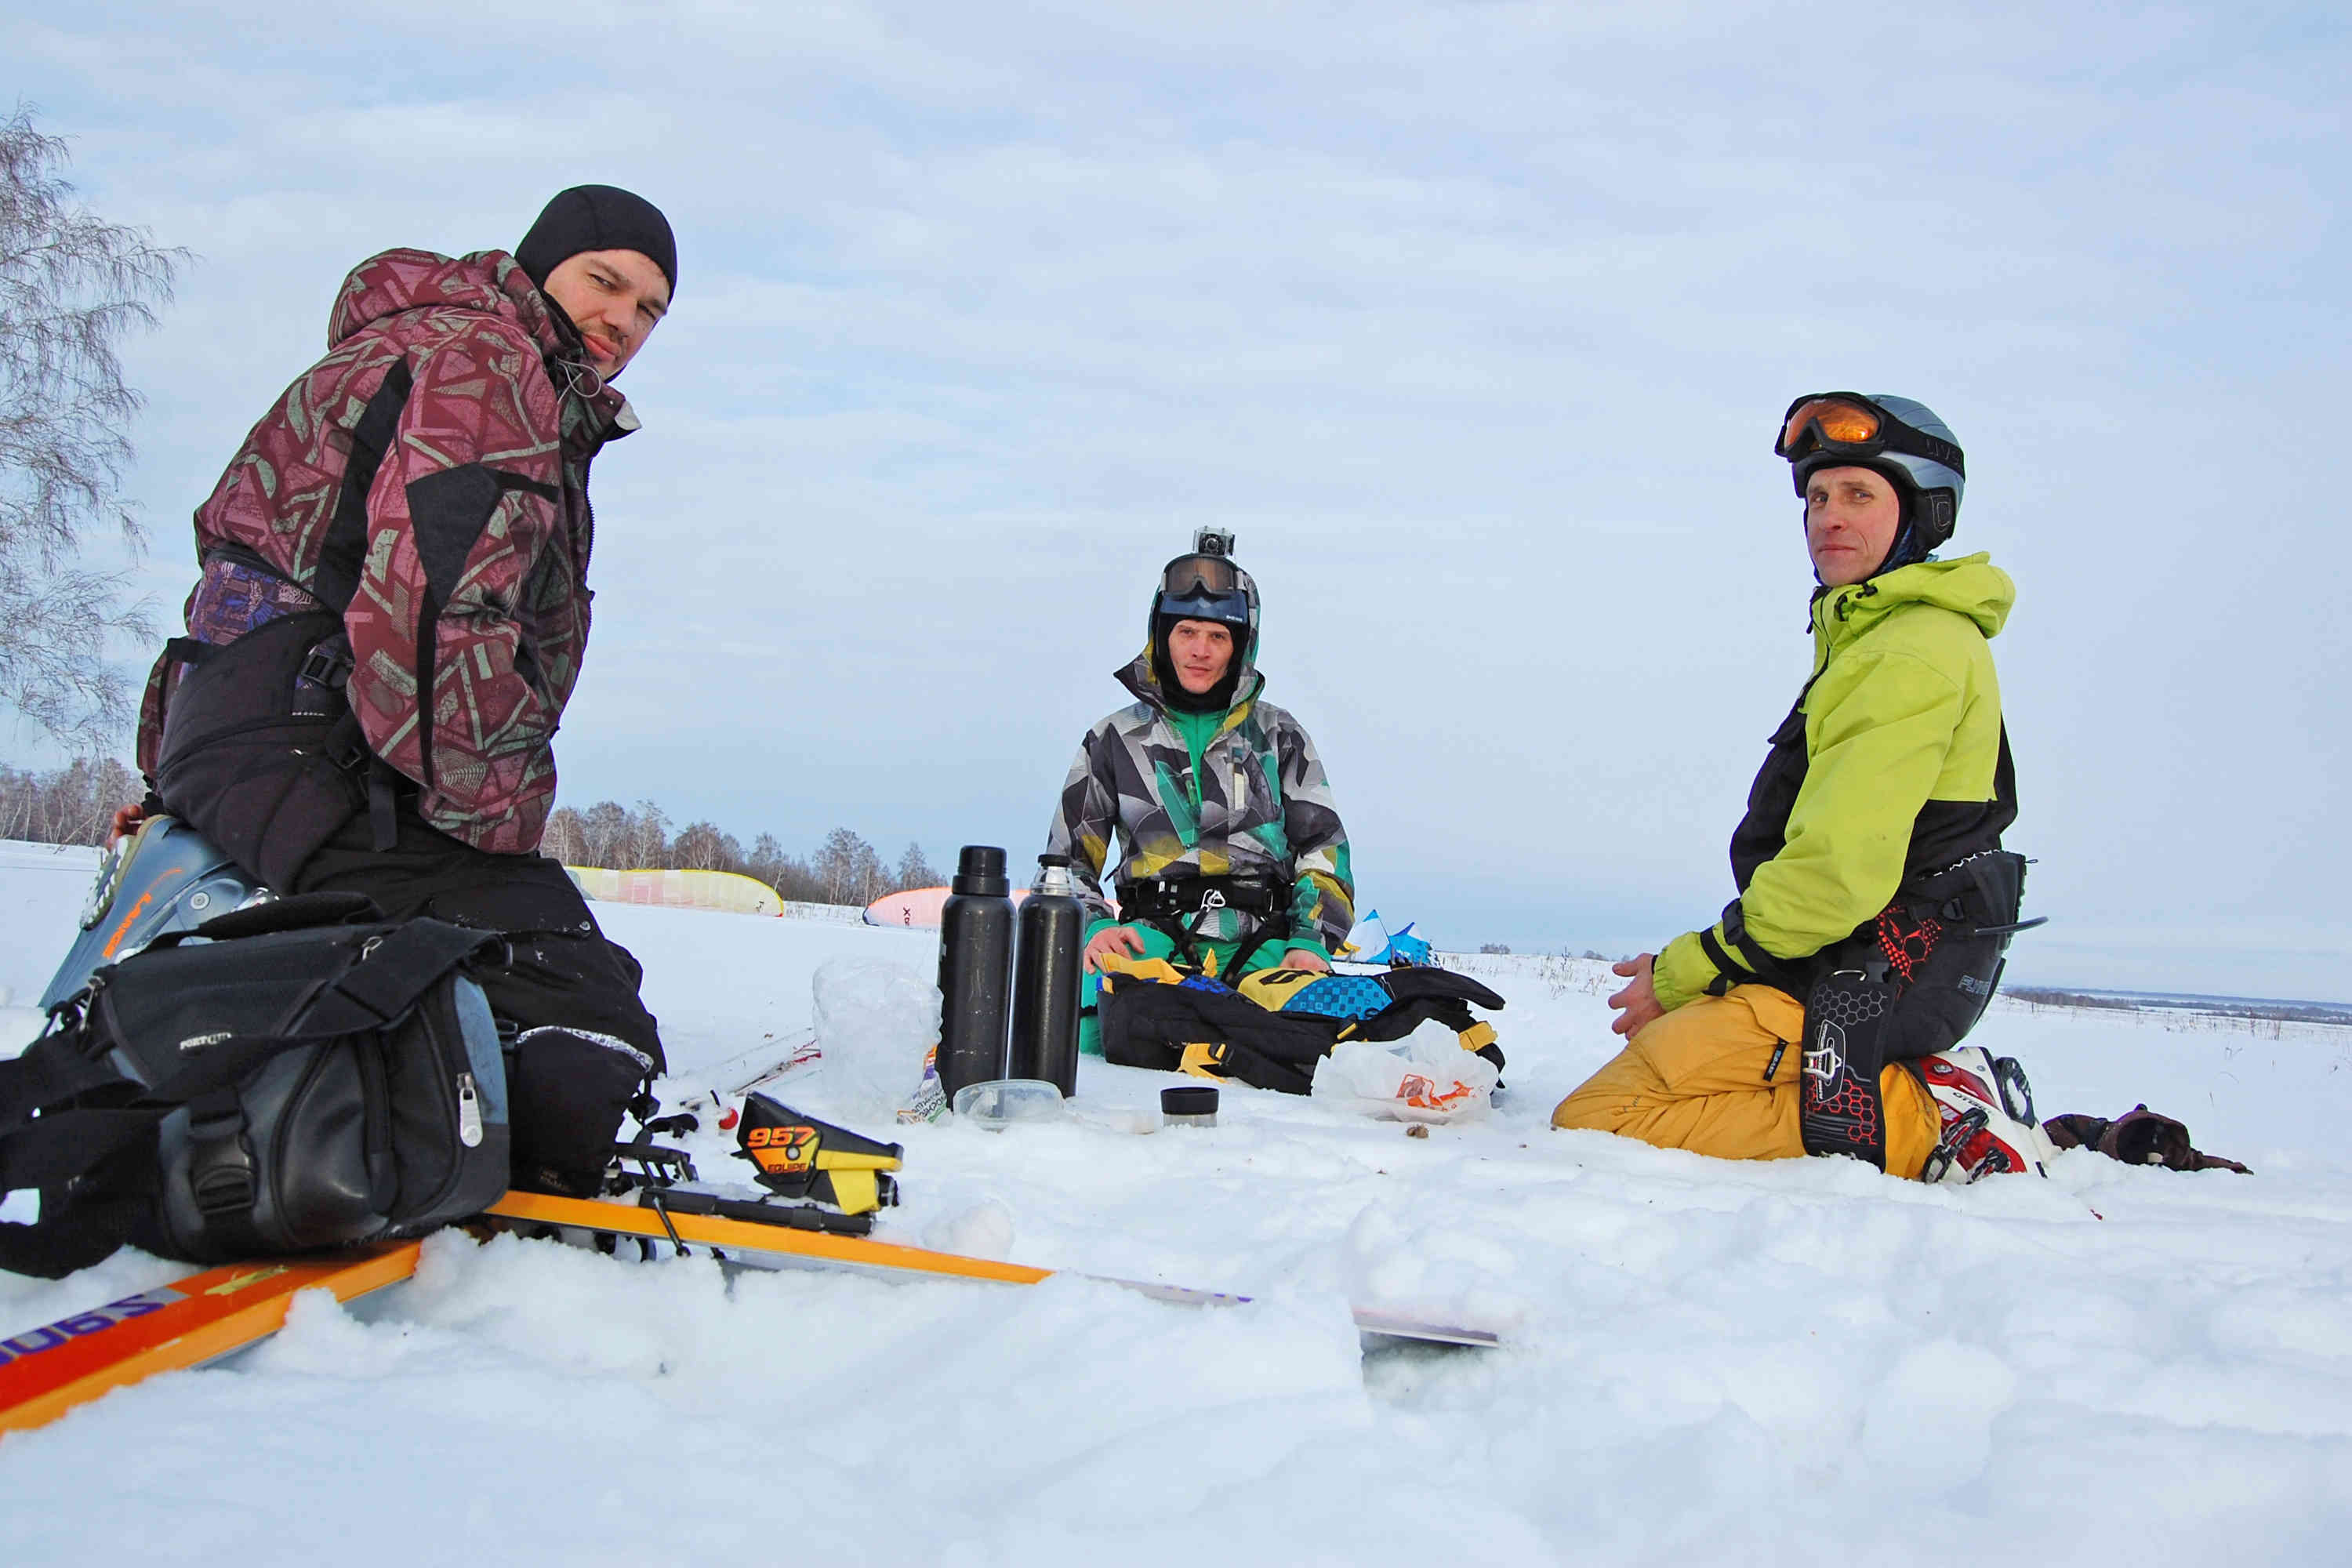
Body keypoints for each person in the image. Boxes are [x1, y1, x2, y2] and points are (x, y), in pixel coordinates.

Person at [121, 186, 678, 1192]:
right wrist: (493, 818)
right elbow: (433, 612)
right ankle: (381, 1168)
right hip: (321, 742)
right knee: (581, 1020)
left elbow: (259, 580)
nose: (623, 321)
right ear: (540, 265)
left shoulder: (432, 343)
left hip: (257, 729)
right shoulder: (489, 363)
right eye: (604, 282)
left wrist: (181, 779)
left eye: (649, 309)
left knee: (492, 956)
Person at [1553, 394, 2053, 1184]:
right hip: (1844, 968)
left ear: (1924, 512)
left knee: (1602, 1120)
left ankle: (1932, 1116)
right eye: (1818, 497)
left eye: (1859, 495)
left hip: (1865, 980)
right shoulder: (1879, 638)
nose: (1829, 516)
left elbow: (1835, 874)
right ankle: (1892, 1094)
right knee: (1654, 1072)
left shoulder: (1906, 652)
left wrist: (1685, 970)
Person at [1047, 532, 1355, 1055]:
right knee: (1069, 1033)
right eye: (1186, 631)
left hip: (1266, 944)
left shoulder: (1280, 735)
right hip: (1150, 942)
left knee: (1323, 1040)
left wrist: (1309, 939)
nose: (1200, 650)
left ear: (1241, 645)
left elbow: (1323, 850)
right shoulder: (1113, 738)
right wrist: (1095, 928)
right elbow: (1065, 866)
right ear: (1161, 635)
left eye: (1218, 636)